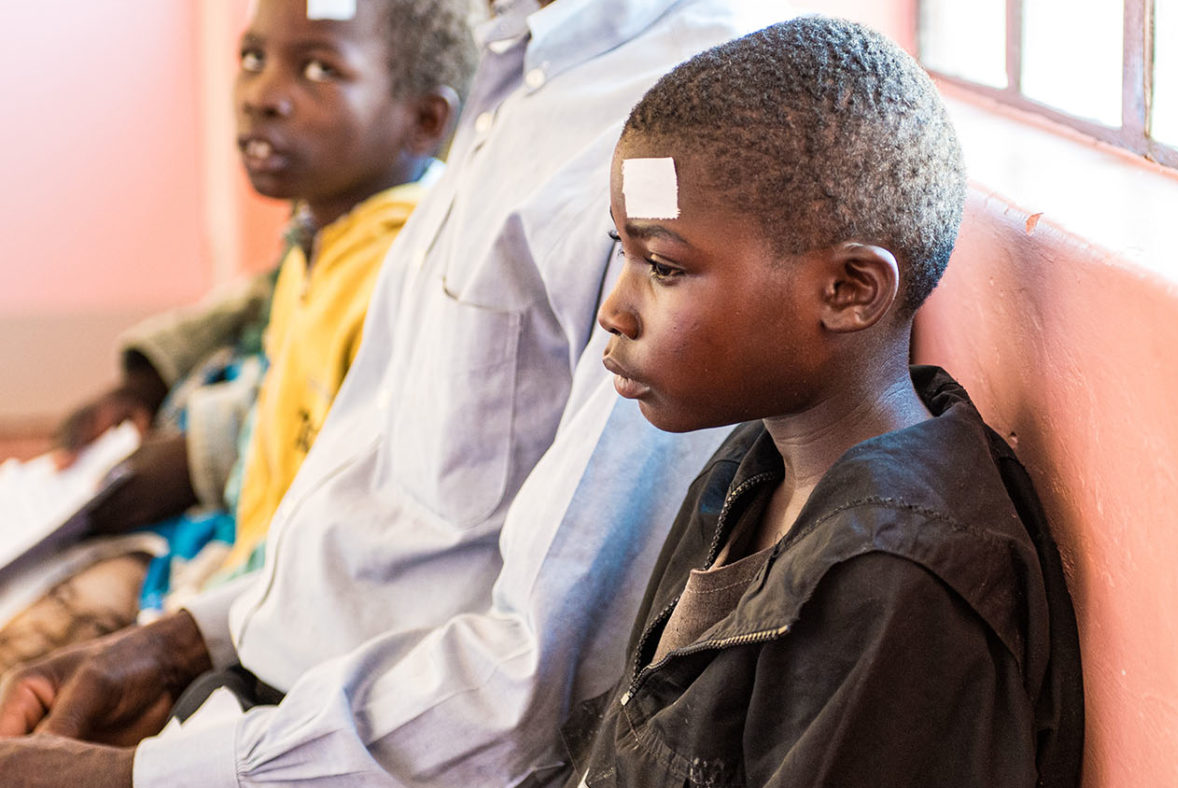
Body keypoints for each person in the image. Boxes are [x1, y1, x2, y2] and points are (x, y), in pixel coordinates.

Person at [0, 0, 791, 785]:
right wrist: (184, 640)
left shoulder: (679, 132)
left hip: (333, 748)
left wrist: (139, 776)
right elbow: (376, 501)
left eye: (317, 68)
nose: (267, 93)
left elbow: (531, 694)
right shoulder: (519, 76)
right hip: (268, 695)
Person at [565, 17, 1083, 786]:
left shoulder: (895, 588)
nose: (616, 310)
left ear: (849, 291)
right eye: (625, 254)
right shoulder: (757, 464)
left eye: (665, 268)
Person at [0, 0, 473, 669]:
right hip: (244, 563)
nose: (262, 97)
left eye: (318, 68)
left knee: (32, 655)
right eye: (253, 59)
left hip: (291, 620)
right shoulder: (324, 240)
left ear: (423, 120)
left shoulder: (398, 269)